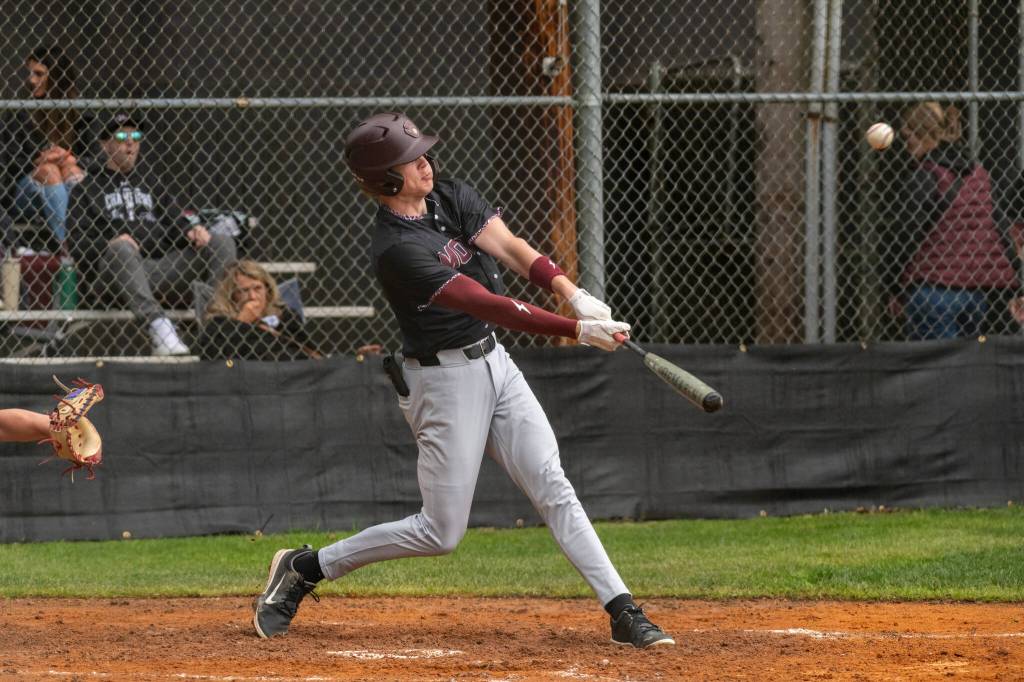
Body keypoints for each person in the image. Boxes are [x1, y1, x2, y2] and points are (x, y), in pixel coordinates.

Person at [251, 112, 674, 649]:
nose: (425, 162)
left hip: (495, 363)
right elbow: (491, 304)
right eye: (411, 160)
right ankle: (307, 566)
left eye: (422, 152)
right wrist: (575, 329)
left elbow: (514, 249)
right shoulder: (397, 251)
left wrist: (573, 293)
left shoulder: (448, 194)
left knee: (553, 485)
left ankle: (623, 610)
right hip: (444, 383)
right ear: (385, 180)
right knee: (440, 533)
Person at [67, 112, 237, 356]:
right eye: (122, 136)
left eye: (136, 136)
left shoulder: (153, 183)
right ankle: (160, 329)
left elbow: (175, 222)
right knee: (121, 248)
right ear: (105, 144)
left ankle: (215, 327)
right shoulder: (86, 190)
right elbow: (76, 244)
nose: (130, 142)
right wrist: (108, 243)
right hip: (113, 275)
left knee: (221, 241)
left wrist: (192, 230)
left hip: (158, 268)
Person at [886, 102, 1019, 340]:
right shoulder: (979, 175)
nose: (908, 147)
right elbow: (999, 228)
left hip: (932, 288)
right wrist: (1017, 279)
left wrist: (894, 287)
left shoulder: (925, 176)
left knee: (932, 367)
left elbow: (904, 236)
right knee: (964, 366)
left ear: (922, 134)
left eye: (908, 138)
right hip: (974, 293)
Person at [2, 46, 88, 245]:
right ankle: (70, 249)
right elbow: (9, 164)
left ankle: (81, 240)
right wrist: (39, 160)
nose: (32, 80)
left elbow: (100, 159)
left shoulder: (80, 113)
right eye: (30, 73)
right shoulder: (20, 113)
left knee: (71, 169)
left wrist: (70, 158)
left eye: (39, 74)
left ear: (58, 76)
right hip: (26, 194)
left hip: (65, 187)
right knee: (49, 170)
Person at [197, 259, 323, 361]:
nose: (252, 296)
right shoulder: (219, 323)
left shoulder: (285, 316)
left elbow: (313, 354)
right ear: (232, 295)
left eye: (258, 288)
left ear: (267, 291)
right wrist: (241, 323)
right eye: (244, 290)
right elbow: (212, 359)